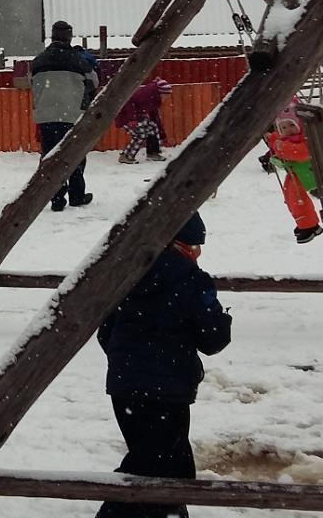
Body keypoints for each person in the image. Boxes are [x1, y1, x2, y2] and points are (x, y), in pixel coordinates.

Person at [94, 212, 231, 518]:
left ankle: (163, 512)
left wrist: (129, 362)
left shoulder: (129, 273)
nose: (196, 255)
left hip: (127, 386)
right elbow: (214, 338)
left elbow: (106, 331)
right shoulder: (192, 281)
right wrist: (221, 318)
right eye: (194, 247)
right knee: (159, 471)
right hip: (167, 389)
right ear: (179, 246)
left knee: (158, 463)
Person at [31, 20, 98, 211]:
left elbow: (32, 84)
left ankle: (56, 199)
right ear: (69, 36)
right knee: (74, 154)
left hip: (46, 116)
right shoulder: (79, 61)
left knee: (50, 156)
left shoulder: (38, 61)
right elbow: (94, 82)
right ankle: (77, 196)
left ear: (52, 36)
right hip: (72, 114)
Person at [263, 106, 323, 244]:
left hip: (310, 172)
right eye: (284, 128)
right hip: (296, 173)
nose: (288, 130)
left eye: (292, 125)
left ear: (299, 124)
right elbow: (280, 140)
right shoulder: (289, 139)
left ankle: (309, 226)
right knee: (290, 198)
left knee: (298, 199)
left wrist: (280, 147)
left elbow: (301, 153)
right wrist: (273, 139)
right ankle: (304, 223)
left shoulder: (306, 138)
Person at [117, 77, 172, 164]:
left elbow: (155, 117)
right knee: (140, 134)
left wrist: (163, 136)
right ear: (160, 92)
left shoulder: (155, 99)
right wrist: (132, 119)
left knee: (153, 127)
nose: (165, 98)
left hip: (138, 117)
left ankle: (153, 153)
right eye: (165, 96)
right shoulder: (147, 95)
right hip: (125, 116)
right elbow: (128, 102)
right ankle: (126, 156)